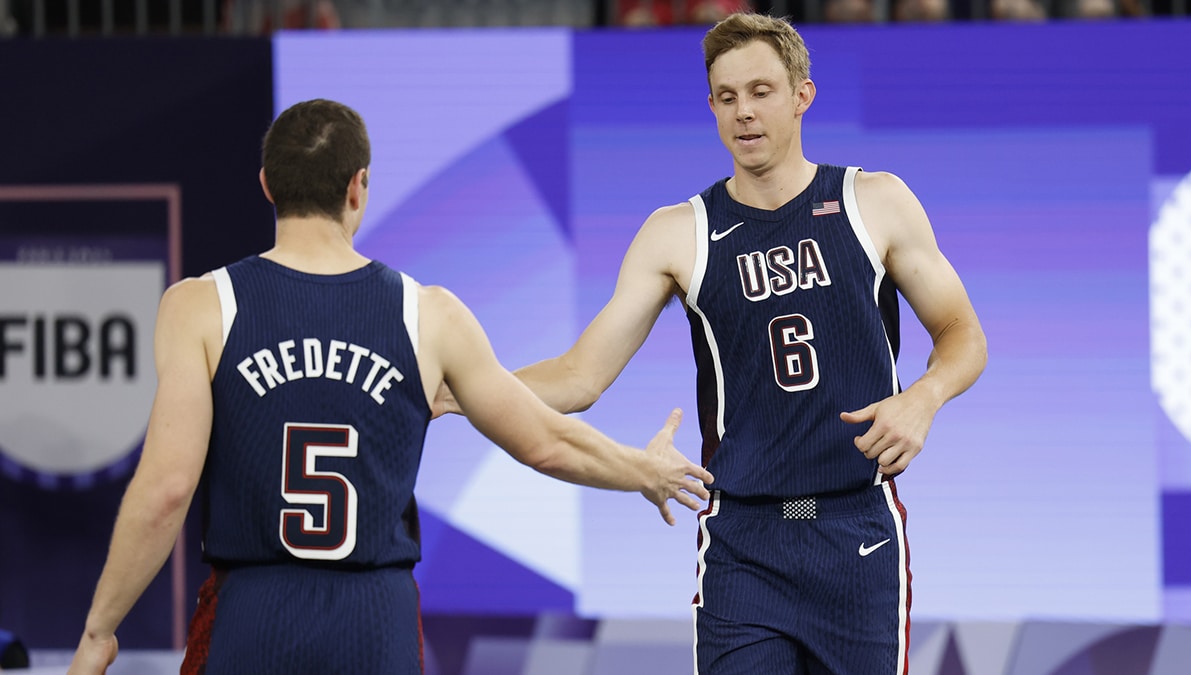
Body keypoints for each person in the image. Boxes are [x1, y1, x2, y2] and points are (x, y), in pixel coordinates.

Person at [66, 99, 713, 675]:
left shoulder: (200, 306)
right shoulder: (428, 314)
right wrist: (642, 470)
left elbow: (166, 489)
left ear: (266, 185)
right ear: (359, 186)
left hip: (254, 608)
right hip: (375, 620)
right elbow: (544, 439)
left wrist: (100, 629)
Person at [444, 12, 987, 673]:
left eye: (761, 92)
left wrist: (923, 398)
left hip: (857, 532)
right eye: (727, 98)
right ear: (710, 107)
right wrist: (463, 387)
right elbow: (580, 375)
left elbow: (963, 336)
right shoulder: (678, 232)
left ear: (801, 96)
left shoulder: (874, 201)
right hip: (742, 543)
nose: (744, 113)